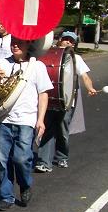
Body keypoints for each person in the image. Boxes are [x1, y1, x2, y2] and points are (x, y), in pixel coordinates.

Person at [0, 37, 52, 211]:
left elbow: (43, 94)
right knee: (3, 161)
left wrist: (40, 119)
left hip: (26, 119)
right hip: (4, 119)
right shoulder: (2, 63)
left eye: (20, 43)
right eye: (13, 43)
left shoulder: (36, 66)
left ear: (28, 45)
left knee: (22, 158)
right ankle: (6, 196)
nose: (15, 45)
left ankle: (25, 185)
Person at [35, 31, 99, 172]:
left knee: (62, 130)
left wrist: (90, 87)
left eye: (71, 41)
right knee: (47, 129)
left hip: (67, 100)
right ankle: (44, 162)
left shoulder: (75, 58)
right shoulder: (47, 54)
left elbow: (85, 77)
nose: (68, 42)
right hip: (49, 99)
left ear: (74, 44)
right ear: (59, 40)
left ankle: (62, 157)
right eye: (65, 39)